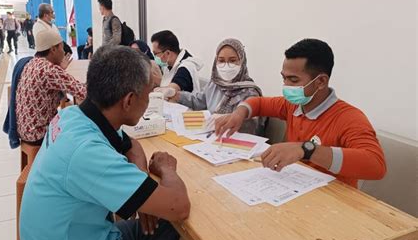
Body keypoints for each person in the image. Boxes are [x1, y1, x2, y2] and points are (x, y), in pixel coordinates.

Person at [20, 45, 190, 240]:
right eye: (148, 93)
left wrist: (141, 186)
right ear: (129, 100)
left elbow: (130, 144)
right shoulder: (87, 152)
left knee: (164, 226)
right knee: (172, 217)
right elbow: (179, 206)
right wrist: (167, 169)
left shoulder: (73, 117)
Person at [215, 38, 387, 188]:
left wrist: (306, 150)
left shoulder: (350, 118)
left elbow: (376, 165)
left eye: (293, 80)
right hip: (293, 189)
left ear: (320, 81)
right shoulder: (292, 105)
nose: (286, 85)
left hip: (335, 202)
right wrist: (239, 113)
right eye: (284, 78)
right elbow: (258, 103)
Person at [174, 38, 264, 134]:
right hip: (208, 137)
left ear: (242, 62)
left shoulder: (250, 92)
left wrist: (227, 120)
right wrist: (177, 95)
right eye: (221, 61)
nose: (226, 66)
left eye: (232, 61)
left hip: (233, 143)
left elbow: (252, 127)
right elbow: (199, 101)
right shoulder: (214, 84)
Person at [16, 30, 86, 146]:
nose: (64, 53)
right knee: (80, 129)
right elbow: (82, 91)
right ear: (53, 49)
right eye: (62, 48)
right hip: (39, 133)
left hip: (25, 129)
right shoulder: (50, 70)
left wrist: (60, 70)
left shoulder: (31, 63)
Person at [151, 30, 203, 97]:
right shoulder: (169, 65)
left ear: (167, 53)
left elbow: (171, 89)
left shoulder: (186, 67)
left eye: (155, 54)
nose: (155, 57)